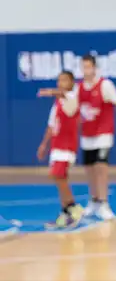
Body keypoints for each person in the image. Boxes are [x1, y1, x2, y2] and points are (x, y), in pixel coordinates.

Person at [77, 54, 116, 220]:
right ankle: (93, 200)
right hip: (87, 134)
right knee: (89, 169)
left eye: (88, 67)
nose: (85, 70)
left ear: (94, 68)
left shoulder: (105, 85)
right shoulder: (79, 88)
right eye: (83, 67)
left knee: (101, 167)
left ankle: (104, 203)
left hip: (103, 133)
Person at [36, 71, 85, 229]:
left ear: (71, 83)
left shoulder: (72, 98)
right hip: (56, 145)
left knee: (58, 174)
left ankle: (73, 208)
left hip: (67, 146)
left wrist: (49, 92)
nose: (60, 83)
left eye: (64, 80)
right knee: (58, 177)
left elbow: (64, 95)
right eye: (58, 80)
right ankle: (66, 211)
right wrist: (44, 144)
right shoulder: (56, 104)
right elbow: (51, 126)